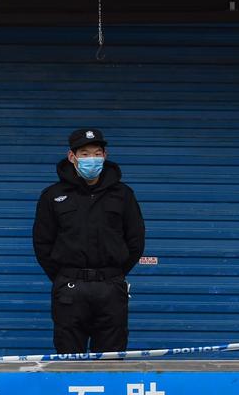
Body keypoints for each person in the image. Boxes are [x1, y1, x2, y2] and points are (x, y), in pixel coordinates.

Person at [32, 127, 145, 354]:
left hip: (111, 286)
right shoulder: (53, 196)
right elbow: (42, 243)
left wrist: (114, 274)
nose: (91, 159)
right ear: (72, 157)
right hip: (70, 289)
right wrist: (65, 276)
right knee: (68, 357)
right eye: (84, 154)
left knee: (111, 357)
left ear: (105, 155)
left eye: (96, 153)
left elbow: (135, 240)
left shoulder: (123, 195)